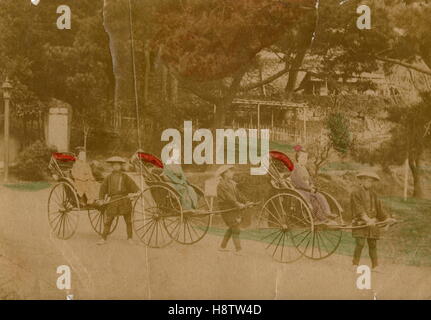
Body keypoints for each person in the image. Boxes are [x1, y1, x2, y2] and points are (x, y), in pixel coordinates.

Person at [351, 171, 395, 272]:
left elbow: (380, 209)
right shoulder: (355, 193)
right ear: (361, 180)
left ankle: (375, 266)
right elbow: (358, 208)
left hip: (372, 223)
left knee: (373, 244)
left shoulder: (373, 194)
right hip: (360, 221)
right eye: (367, 180)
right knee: (360, 243)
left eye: (371, 181)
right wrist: (366, 219)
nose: (369, 183)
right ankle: (355, 264)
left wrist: (387, 218)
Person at [97, 156, 140, 245]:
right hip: (113, 200)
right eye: (114, 165)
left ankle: (130, 238)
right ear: (112, 166)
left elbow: (133, 186)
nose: (116, 167)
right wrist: (101, 199)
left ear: (121, 166)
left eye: (118, 165)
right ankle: (103, 238)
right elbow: (103, 188)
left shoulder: (125, 176)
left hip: (124, 200)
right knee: (108, 220)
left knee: (128, 221)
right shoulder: (108, 177)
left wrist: (137, 192)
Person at [290, 145, 337, 225]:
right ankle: (316, 218)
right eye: (303, 157)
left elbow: (309, 180)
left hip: (307, 189)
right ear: (298, 158)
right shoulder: (295, 168)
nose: (305, 160)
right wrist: (309, 188)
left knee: (320, 196)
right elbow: (299, 181)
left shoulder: (304, 168)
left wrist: (312, 186)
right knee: (312, 200)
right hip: (300, 190)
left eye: (306, 158)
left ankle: (327, 214)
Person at [216, 165, 252, 255]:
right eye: (230, 171)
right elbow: (229, 197)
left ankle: (222, 246)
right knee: (235, 227)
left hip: (233, 208)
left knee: (232, 227)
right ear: (225, 173)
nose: (233, 173)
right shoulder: (221, 185)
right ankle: (238, 249)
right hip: (226, 209)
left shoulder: (232, 183)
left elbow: (238, 194)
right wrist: (237, 204)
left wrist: (246, 201)